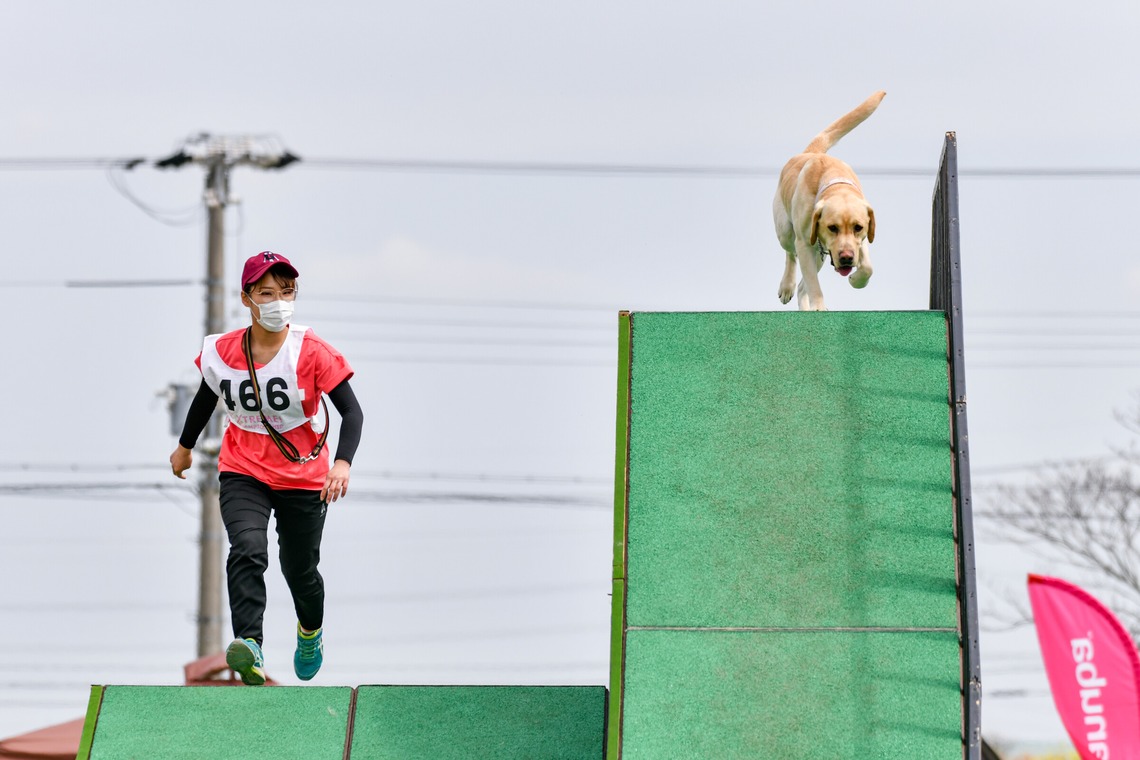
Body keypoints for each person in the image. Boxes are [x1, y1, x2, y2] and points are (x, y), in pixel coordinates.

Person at [169, 251, 363, 685]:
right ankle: (250, 646)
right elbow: (206, 396)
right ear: (248, 298)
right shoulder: (222, 350)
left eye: (287, 292)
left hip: (304, 477)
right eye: (268, 293)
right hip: (244, 470)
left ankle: (310, 633)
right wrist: (184, 447)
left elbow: (353, 413)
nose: (280, 301)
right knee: (248, 549)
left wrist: (342, 464)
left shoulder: (311, 352)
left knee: (299, 570)